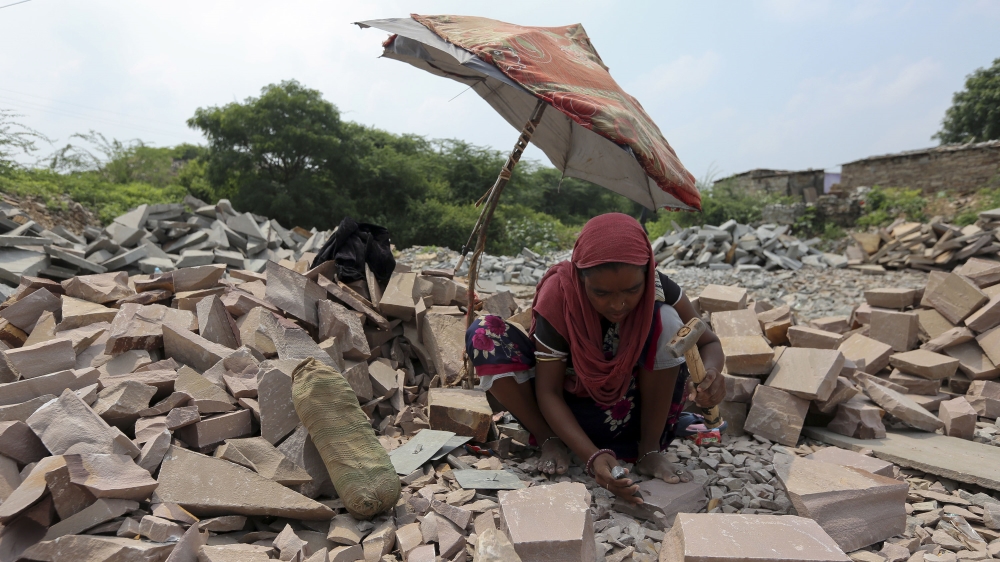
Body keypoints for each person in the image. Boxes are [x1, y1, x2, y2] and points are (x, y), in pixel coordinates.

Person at [465, 213, 726, 505]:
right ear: (580, 278)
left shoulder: (660, 287)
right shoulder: (560, 296)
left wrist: (712, 374)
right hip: (564, 413)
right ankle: (550, 440)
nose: (618, 304)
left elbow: (709, 342)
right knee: (484, 333)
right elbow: (549, 392)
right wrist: (593, 458)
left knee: (667, 319)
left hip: (630, 415)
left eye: (633, 290)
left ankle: (649, 450)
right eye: (601, 293)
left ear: (648, 274)